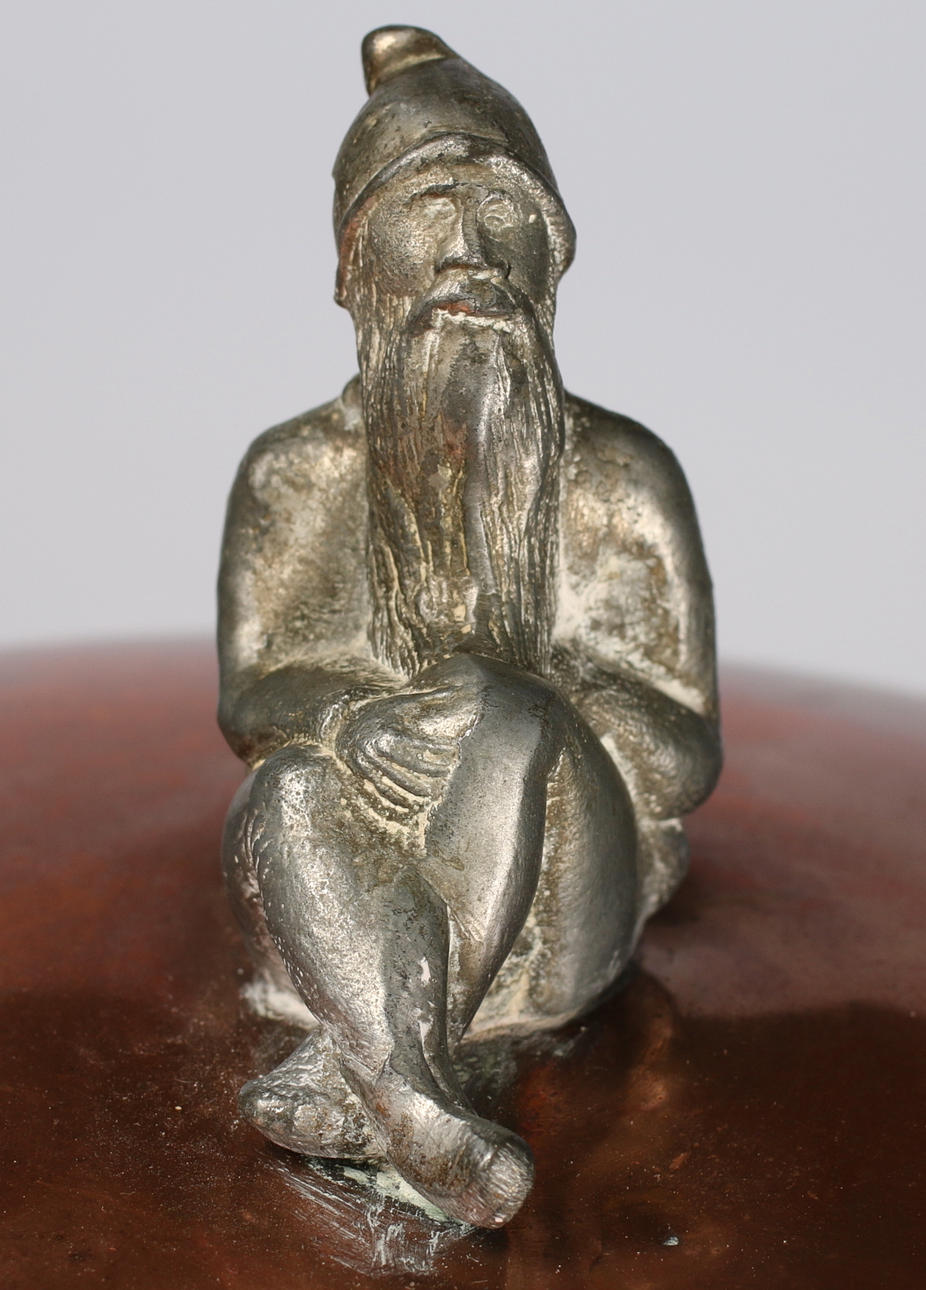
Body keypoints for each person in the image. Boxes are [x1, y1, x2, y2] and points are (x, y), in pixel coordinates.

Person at [217, 26, 720, 1228]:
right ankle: (417, 1104)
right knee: (285, 790)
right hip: (347, 877)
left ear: (550, 256)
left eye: (503, 212)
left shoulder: (621, 476)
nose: (468, 251)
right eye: (425, 211)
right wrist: (350, 718)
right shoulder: (296, 473)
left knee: (501, 707)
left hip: (568, 899)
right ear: (355, 269)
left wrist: (522, 706)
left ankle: (372, 1066)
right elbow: (252, 700)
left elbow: (684, 761)